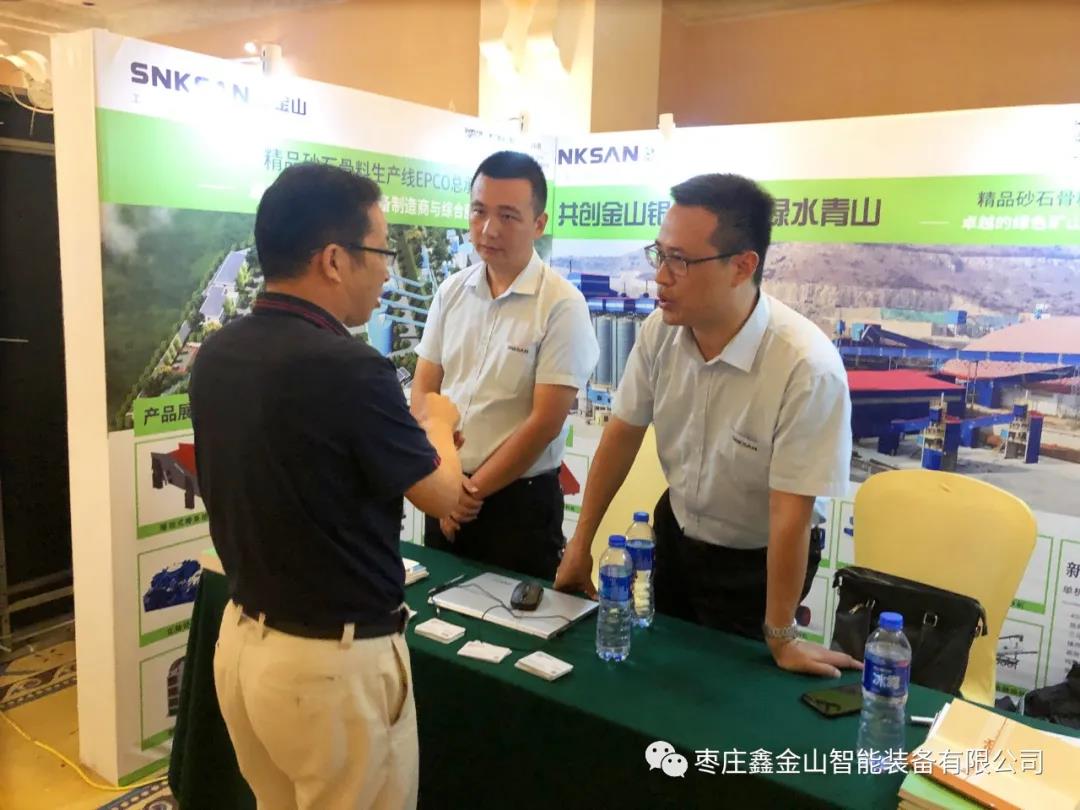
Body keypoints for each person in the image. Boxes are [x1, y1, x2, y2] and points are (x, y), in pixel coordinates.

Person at [189, 163, 463, 810]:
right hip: (332, 671)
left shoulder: (219, 353)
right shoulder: (350, 368)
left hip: (246, 646)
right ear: (335, 260)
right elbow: (442, 496)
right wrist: (440, 423)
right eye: (382, 252)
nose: (389, 272)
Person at [554, 173, 861, 679]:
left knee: (731, 694)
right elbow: (622, 434)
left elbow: (790, 515)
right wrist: (580, 543)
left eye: (680, 260)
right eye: (659, 255)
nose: (660, 276)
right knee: (655, 674)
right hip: (675, 538)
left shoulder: (805, 367)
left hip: (756, 562)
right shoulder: (659, 332)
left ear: (742, 266)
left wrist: (781, 634)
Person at [411, 151, 598, 579]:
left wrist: (468, 494)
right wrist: (443, 483)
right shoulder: (451, 292)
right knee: (436, 604)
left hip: (518, 504)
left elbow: (544, 422)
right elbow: (424, 391)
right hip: (444, 489)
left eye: (508, 216)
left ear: (539, 223)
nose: (489, 229)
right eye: (479, 211)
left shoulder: (561, 305)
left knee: (517, 616)